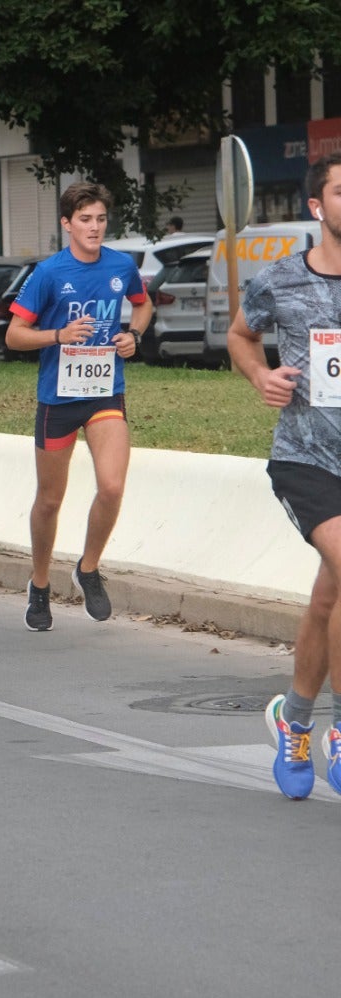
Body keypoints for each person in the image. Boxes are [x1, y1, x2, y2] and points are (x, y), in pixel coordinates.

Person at [227, 150, 341, 799]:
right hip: (306, 457)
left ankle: (294, 719)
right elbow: (242, 335)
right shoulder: (281, 279)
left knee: (331, 594)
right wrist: (260, 374)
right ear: (316, 205)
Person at [4, 182, 152, 630]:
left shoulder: (121, 265)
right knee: (50, 500)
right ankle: (41, 583)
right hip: (58, 398)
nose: (94, 227)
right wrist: (57, 335)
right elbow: (13, 335)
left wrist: (134, 335)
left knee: (111, 486)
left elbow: (142, 306)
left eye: (101, 219)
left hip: (106, 392)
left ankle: (88, 568)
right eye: (85, 219)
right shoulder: (49, 273)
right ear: (67, 224)